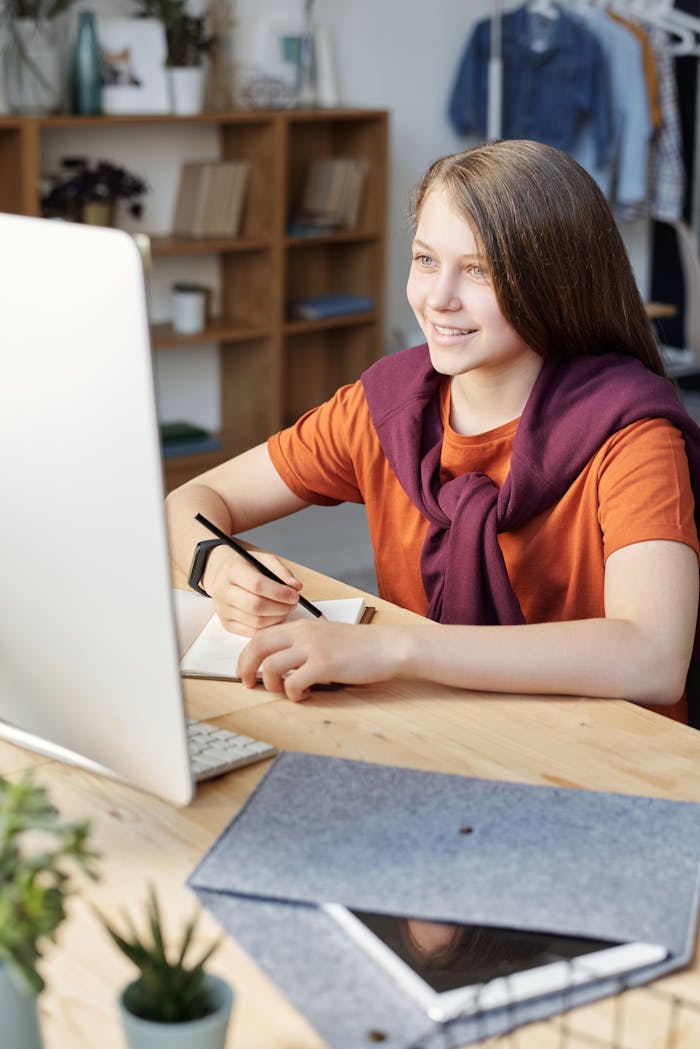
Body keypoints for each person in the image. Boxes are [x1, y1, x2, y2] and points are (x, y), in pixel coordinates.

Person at [166, 139, 700, 721]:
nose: (438, 299)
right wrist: (217, 565)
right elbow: (191, 501)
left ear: (554, 281)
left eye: (479, 270)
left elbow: (653, 655)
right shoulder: (387, 407)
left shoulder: (632, 436)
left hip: (607, 753)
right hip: (438, 722)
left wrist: (395, 648)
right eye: (425, 260)